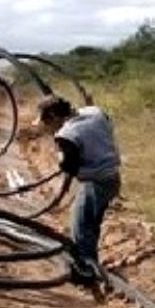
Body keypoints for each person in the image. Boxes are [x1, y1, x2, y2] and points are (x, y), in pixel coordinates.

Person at [37, 95, 121, 286]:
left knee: (80, 226)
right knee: (92, 222)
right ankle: (91, 261)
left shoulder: (67, 134)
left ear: (54, 116)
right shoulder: (94, 112)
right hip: (113, 177)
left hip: (96, 182)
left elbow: (69, 167)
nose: (49, 128)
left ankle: (86, 270)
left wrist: (60, 153)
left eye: (47, 122)